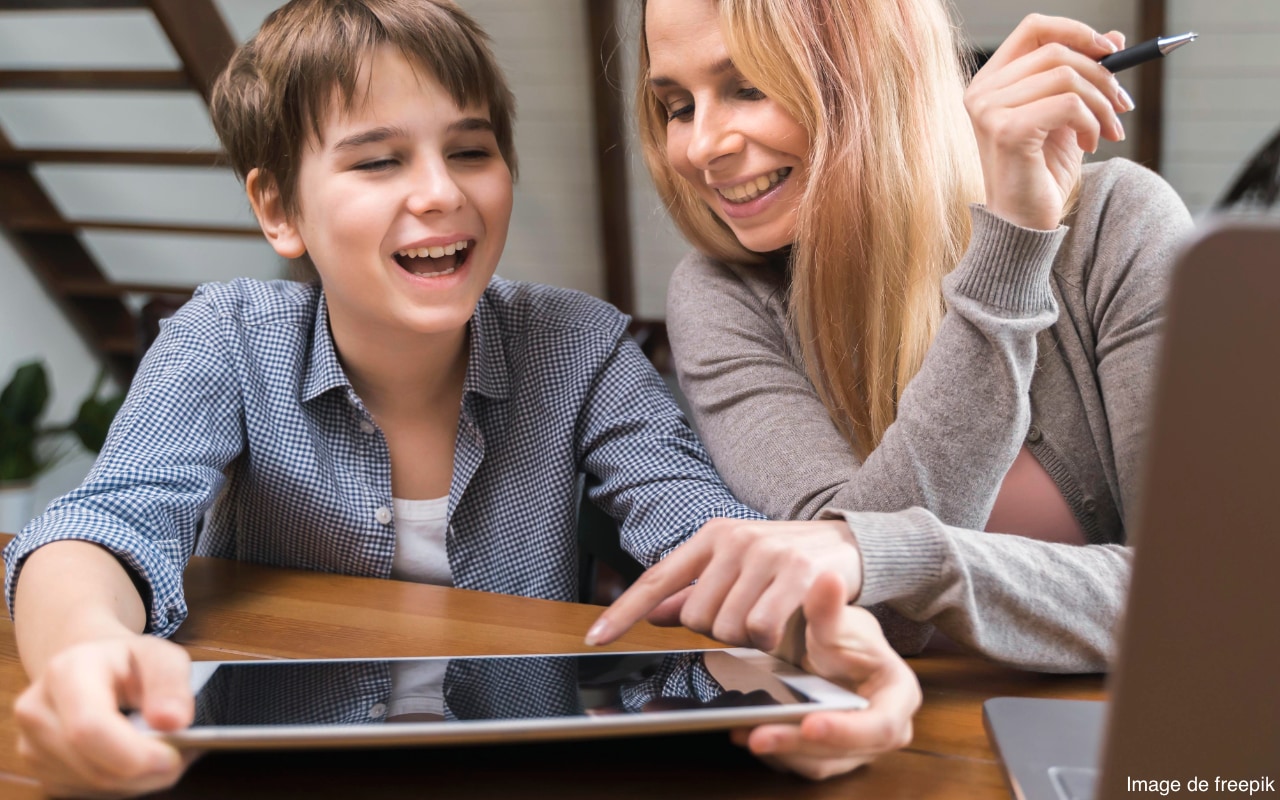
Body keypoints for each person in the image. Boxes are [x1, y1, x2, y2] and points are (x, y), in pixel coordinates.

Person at [3, 0, 919, 795]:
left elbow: (700, 537)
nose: (441, 193)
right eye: (377, 162)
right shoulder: (226, 337)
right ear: (278, 210)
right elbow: (106, 524)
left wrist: (819, 645)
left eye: (471, 150)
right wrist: (86, 646)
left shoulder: (579, 346)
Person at [586, 0, 1194, 673]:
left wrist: (893, 556)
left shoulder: (1118, 227)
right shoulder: (722, 296)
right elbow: (856, 605)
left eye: (749, 87)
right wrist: (1008, 260)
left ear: (880, 77)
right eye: (678, 106)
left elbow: (1208, 595)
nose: (701, 146)